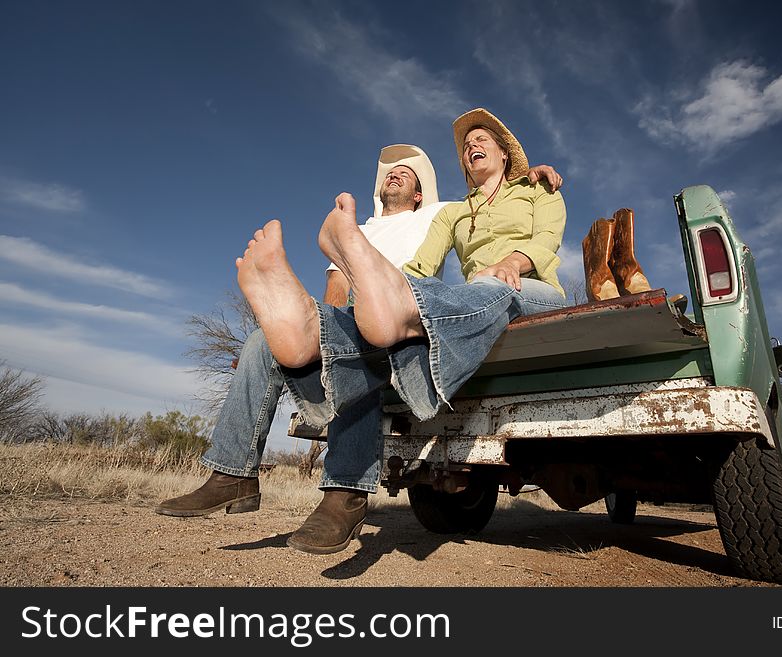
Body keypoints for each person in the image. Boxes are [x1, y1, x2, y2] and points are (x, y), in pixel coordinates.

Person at [156, 132, 562, 555]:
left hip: (522, 287)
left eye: (482, 141)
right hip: (389, 307)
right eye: (466, 143)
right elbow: (420, 266)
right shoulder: (452, 215)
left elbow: (545, 240)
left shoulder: (514, 194)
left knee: (477, 290)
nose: (470, 146)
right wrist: (324, 328)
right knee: (277, 340)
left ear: (504, 153)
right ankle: (232, 471)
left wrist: (519, 217)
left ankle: (345, 490)